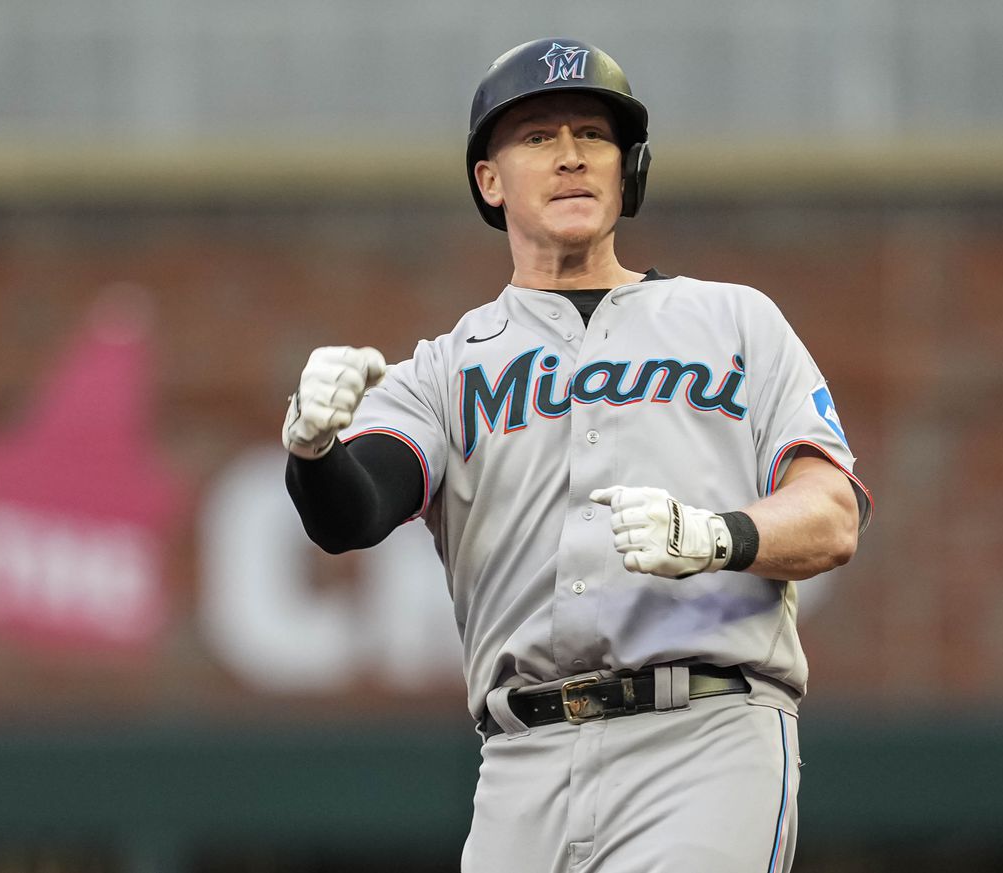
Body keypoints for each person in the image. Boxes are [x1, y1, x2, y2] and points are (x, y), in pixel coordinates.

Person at [283, 36, 872, 873]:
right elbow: (354, 508)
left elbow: (831, 511)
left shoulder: (734, 320)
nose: (570, 157)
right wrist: (312, 449)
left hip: (702, 733)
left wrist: (716, 535)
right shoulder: (449, 366)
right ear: (489, 180)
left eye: (592, 136)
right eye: (537, 138)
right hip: (522, 758)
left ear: (628, 168)